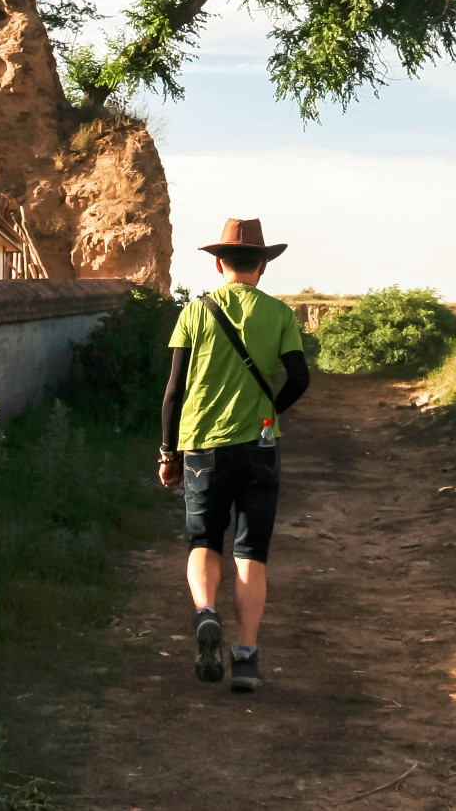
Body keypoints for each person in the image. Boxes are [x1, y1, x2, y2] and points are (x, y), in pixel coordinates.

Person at [158, 217, 312, 692]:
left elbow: (174, 391)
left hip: (202, 446)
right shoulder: (280, 315)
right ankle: (245, 658)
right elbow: (300, 378)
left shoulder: (194, 312)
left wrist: (167, 452)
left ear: (219, 264)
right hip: (259, 447)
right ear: (262, 266)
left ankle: (207, 612)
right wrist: (270, 411)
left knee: (203, 541)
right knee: (251, 552)